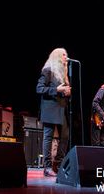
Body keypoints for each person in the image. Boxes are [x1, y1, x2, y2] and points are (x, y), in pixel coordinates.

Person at [36, 48, 71, 177]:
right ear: (56, 57)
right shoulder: (48, 71)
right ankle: (47, 167)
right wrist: (56, 89)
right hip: (50, 109)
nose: (65, 58)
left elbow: (64, 91)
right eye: (63, 55)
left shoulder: (64, 74)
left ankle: (59, 163)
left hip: (62, 109)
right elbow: (39, 88)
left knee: (65, 136)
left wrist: (67, 92)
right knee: (48, 138)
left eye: (66, 55)